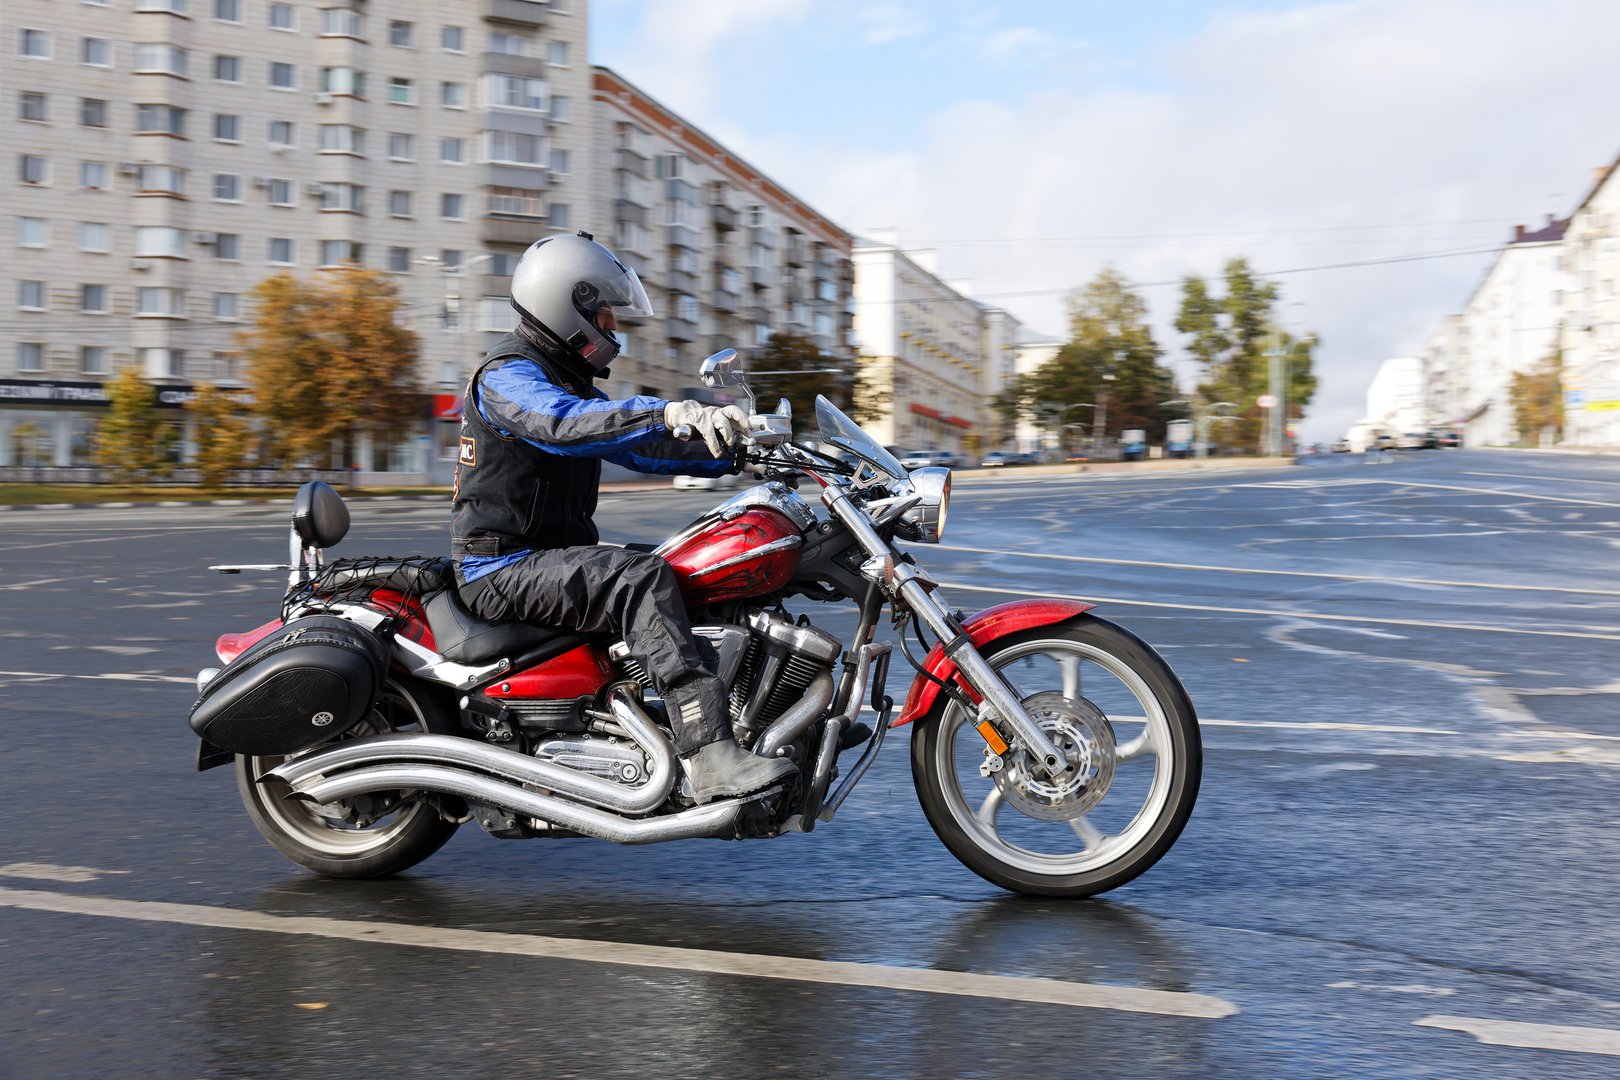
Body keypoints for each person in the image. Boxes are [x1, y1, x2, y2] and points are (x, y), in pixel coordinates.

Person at [450, 231, 795, 805]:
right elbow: (562, 422)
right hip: (502, 567)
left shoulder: (565, 378)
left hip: (543, 558)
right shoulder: (506, 375)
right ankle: (708, 754)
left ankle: (766, 714)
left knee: (686, 562)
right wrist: (664, 409)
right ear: (569, 307)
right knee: (641, 581)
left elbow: (634, 448)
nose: (614, 330)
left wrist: (736, 449)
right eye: (605, 316)